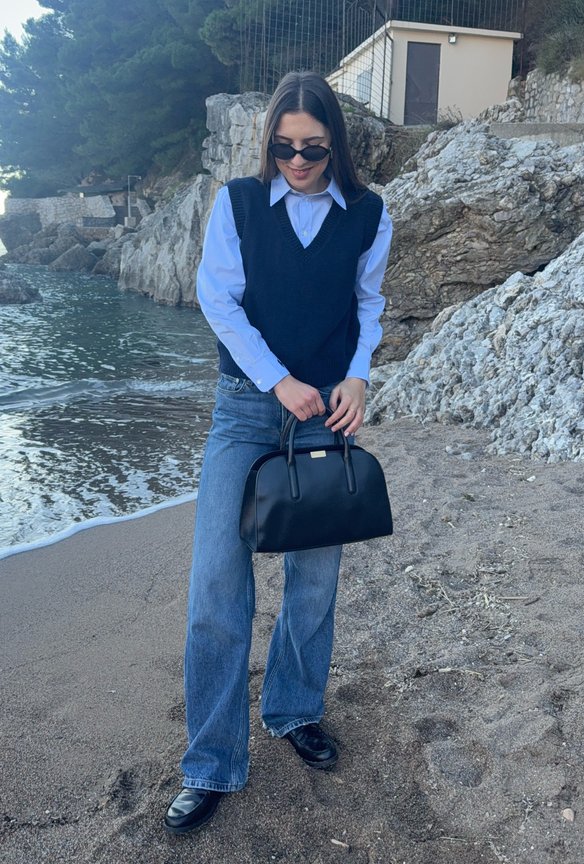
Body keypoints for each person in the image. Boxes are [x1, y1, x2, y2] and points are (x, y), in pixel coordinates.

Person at [164, 70, 392, 834]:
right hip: (244, 412)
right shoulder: (235, 206)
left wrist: (357, 378)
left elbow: (369, 304)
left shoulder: (367, 214)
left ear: (335, 145)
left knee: (315, 581)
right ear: (270, 142)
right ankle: (211, 763)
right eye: (285, 147)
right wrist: (277, 380)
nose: (298, 161)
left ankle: (294, 710)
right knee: (216, 588)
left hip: (327, 416)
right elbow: (216, 299)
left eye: (314, 149)